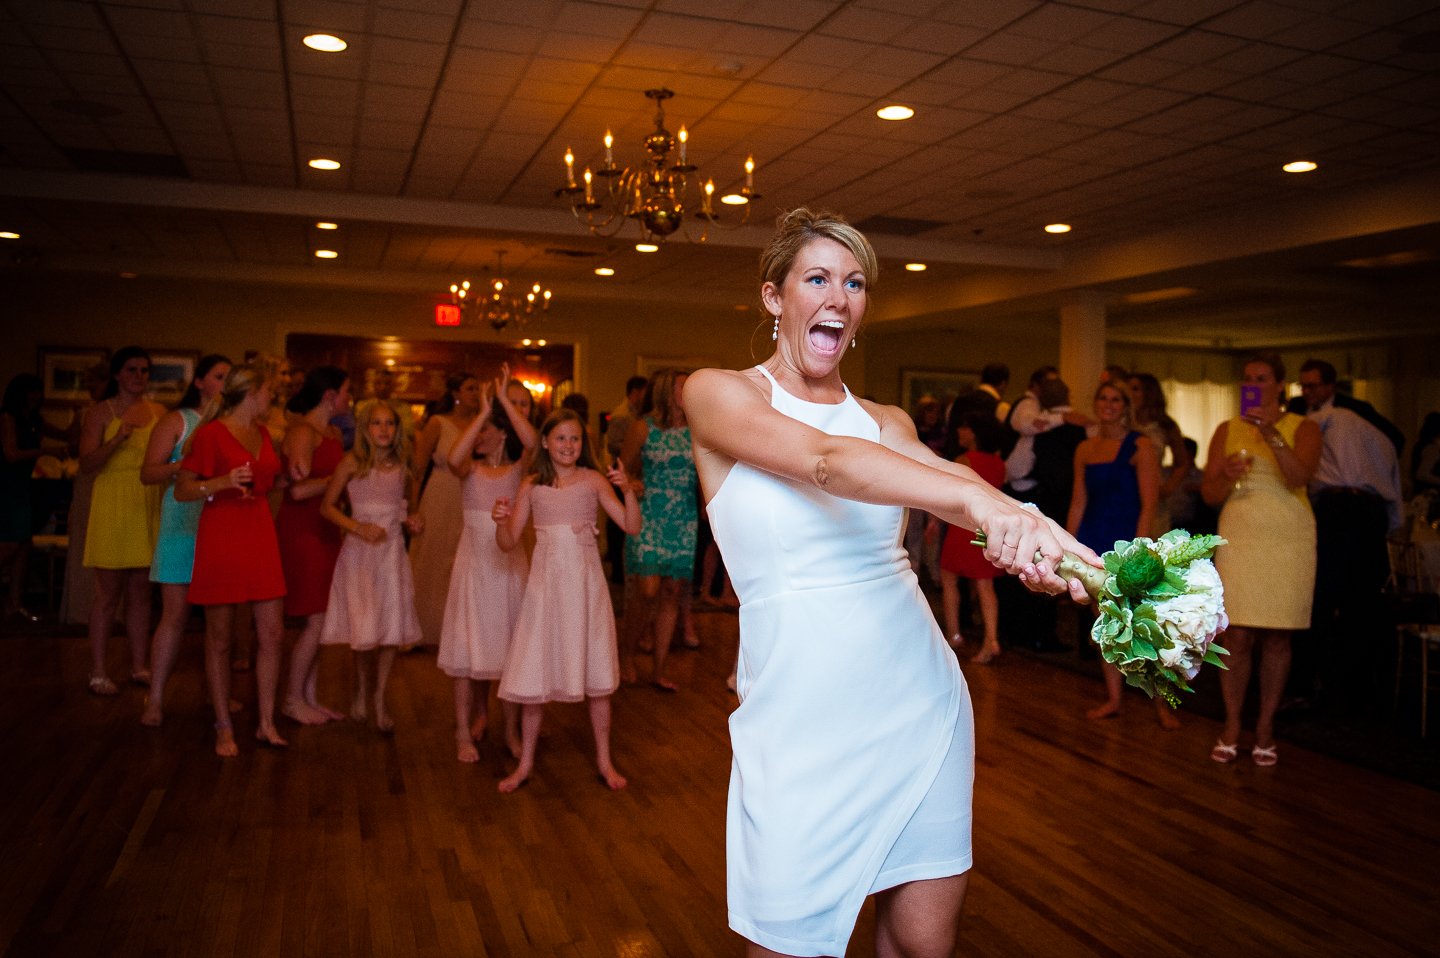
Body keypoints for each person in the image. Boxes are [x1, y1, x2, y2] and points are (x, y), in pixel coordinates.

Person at [685, 208, 1096, 958]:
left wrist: (1067, 555)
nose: (838, 296)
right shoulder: (718, 395)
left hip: (917, 701)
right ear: (775, 297)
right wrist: (978, 502)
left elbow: (960, 484)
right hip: (798, 717)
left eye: (854, 282)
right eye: (817, 278)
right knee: (786, 947)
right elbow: (823, 462)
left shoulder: (886, 420)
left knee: (919, 944)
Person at [492, 409, 640, 793]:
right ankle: (524, 763)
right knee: (535, 667)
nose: (568, 446)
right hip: (546, 589)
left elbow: (630, 525)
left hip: (585, 587)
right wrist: (498, 522)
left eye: (575, 439)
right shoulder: (531, 486)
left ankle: (605, 761)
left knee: (597, 675)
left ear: (583, 443)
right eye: (560, 438)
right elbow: (508, 543)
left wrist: (627, 489)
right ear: (544, 442)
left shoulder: (593, 480)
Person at [1202, 352, 1321, 767]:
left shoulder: (1302, 427)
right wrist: (1226, 475)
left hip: (1288, 535)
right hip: (1240, 532)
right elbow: (1209, 495)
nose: (1253, 383)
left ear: (1279, 386)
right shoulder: (1226, 429)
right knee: (1235, 635)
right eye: (1248, 378)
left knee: (1278, 635)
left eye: (1262, 378)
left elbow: (1298, 478)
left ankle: (1266, 725)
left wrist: (1271, 434)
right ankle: (1233, 723)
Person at [173, 363, 289, 755]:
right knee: (221, 638)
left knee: (272, 633)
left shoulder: (264, 433)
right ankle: (223, 725)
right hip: (221, 533)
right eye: (270, 390)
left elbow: (267, 482)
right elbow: (182, 490)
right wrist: (221, 482)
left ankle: (266, 721)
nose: (273, 396)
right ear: (252, 391)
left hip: (259, 531)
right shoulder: (210, 435)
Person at [437, 368, 536, 762]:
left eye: (483, 431)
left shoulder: (517, 471)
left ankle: (510, 730)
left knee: (509, 650)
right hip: (473, 565)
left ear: (500, 434)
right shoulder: (470, 470)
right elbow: (452, 456)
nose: (476, 438)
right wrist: (481, 413)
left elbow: (530, 439)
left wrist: (506, 405)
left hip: (509, 565)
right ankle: (463, 730)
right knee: (465, 649)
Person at [1066, 381, 1172, 727]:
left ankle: (1162, 703)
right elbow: (1079, 500)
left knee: (1140, 625)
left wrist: (1139, 551)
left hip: (1128, 540)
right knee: (1105, 625)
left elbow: (1150, 503)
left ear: (1126, 407)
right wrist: (1068, 547)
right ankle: (1114, 698)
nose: (1108, 404)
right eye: (1103, 398)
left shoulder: (1140, 446)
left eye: (1116, 400)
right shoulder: (1084, 448)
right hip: (1094, 539)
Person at [319, 399, 424, 731]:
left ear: (397, 430)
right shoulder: (351, 464)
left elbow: (410, 509)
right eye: (377, 423)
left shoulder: (405, 466)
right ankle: (362, 688)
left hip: (392, 555)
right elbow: (327, 507)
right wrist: (357, 526)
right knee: (365, 626)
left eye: (389, 423)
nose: (384, 429)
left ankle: (379, 696)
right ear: (365, 429)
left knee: (391, 627)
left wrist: (415, 521)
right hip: (360, 554)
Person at [138, 353, 231, 725]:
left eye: (229, 377)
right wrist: (188, 464)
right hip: (181, 522)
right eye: (219, 376)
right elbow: (148, 473)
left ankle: (217, 696)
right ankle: (155, 699)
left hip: (219, 521)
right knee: (174, 615)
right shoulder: (176, 420)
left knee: (221, 620)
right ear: (200, 382)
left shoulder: (232, 425)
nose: (224, 383)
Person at [1296, 400, 1402, 710]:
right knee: (1363, 604)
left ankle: (1305, 685)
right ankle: (1360, 690)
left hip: (1338, 510)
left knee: (1320, 600)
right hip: (1372, 515)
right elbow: (1394, 496)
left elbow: (1309, 472)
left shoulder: (1327, 419)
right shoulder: (1384, 440)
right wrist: (1393, 527)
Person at [79, 346, 166, 695]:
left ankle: (139, 665)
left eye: (144, 370)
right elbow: (86, 465)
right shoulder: (101, 412)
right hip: (113, 500)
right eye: (131, 370)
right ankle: (98, 671)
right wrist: (116, 439)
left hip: (147, 501)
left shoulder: (159, 412)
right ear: (117, 374)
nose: (139, 377)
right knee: (107, 593)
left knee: (141, 592)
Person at [277, 366, 351, 724]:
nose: (349, 398)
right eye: (346, 391)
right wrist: (341, 478)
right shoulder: (303, 432)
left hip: (326, 528)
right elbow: (297, 489)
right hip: (303, 531)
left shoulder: (333, 432)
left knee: (324, 618)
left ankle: (309, 695)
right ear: (329, 395)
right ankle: (291, 699)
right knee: (316, 620)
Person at [620, 368, 698, 690]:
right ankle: (625, 653)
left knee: (672, 592)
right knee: (647, 588)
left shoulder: (698, 430)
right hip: (649, 513)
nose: (687, 393)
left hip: (684, 516)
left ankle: (659, 669)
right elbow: (622, 469)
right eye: (682, 388)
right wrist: (631, 485)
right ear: (667, 391)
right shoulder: (644, 427)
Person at [409, 372, 481, 645]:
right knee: (434, 557)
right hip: (440, 492)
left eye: (477, 389)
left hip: (471, 492)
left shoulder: (480, 425)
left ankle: (459, 631)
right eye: (470, 388)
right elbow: (418, 468)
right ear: (456, 393)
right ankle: (426, 629)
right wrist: (414, 508)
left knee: (462, 561)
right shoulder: (437, 423)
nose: (475, 393)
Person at [932, 412, 1007, 663]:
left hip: (962, 528)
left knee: (949, 579)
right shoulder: (998, 463)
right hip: (987, 529)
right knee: (986, 586)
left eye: (963, 427)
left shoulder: (964, 460)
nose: (959, 432)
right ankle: (992, 639)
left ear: (973, 432)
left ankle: (953, 635)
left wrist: (934, 521)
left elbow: (949, 498)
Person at [1, 374, 68, 622]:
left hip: (21, 488)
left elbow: (67, 436)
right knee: (8, 546)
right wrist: (45, 451)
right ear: (19, 393)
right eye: (32, 391)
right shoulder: (8, 418)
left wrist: (79, 415)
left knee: (24, 547)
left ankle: (14, 604)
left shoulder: (36, 420)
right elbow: (10, 455)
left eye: (39, 391)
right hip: (5, 487)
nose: (37, 396)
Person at [59, 362, 111, 625]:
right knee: (83, 538)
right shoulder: (84, 413)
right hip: (87, 481)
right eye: (88, 381)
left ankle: (110, 608)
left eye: (95, 381)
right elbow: (71, 450)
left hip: (111, 481)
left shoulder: (118, 412)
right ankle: (82, 609)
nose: (91, 387)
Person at [1288, 358, 1404, 457]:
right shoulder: (1296, 406)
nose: (1306, 391)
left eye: (1312, 386)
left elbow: (1395, 438)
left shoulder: (1356, 408)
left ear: (1330, 385)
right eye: (1303, 386)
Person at [1127, 372, 1193, 536]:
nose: (1130, 393)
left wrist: (1169, 487)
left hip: (1154, 494)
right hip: (1125, 491)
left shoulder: (1165, 425)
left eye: (1135, 389)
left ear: (1149, 392)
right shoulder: (1124, 423)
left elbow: (1182, 462)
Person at [603, 375, 648, 582]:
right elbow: (612, 445)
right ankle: (618, 571)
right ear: (636, 392)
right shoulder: (621, 415)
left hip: (630, 469)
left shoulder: (638, 415)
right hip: (620, 468)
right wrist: (634, 446)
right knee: (618, 520)